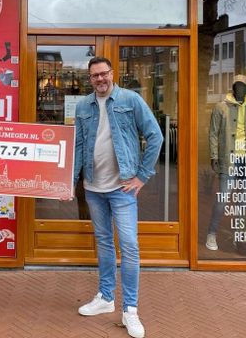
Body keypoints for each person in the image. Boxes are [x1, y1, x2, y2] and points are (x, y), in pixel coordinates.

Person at [73, 57, 163, 338]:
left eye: (104, 74)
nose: (100, 79)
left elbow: (155, 136)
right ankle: (106, 296)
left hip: (122, 188)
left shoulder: (130, 100)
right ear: (90, 79)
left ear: (112, 74)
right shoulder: (82, 106)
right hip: (93, 187)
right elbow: (78, 145)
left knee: (129, 245)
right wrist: (70, 181)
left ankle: (130, 309)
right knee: (104, 242)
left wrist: (142, 176)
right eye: (94, 75)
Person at [206, 74, 246, 255]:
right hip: (229, 158)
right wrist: (214, 156)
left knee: (245, 201)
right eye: (237, 85)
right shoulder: (221, 107)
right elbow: (213, 133)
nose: (240, 88)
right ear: (233, 87)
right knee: (223, 199)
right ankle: (212, 233)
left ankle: (241, 237)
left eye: (243, 86)